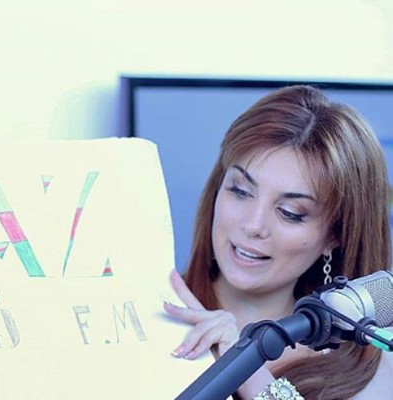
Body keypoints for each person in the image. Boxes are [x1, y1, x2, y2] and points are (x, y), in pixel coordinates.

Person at [163, 85, 393, 399]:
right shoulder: (142, 321)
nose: (253, 225)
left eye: (290, 212)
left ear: (335, 235)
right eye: (240, 191)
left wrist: (242, 364)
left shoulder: (376, 371)